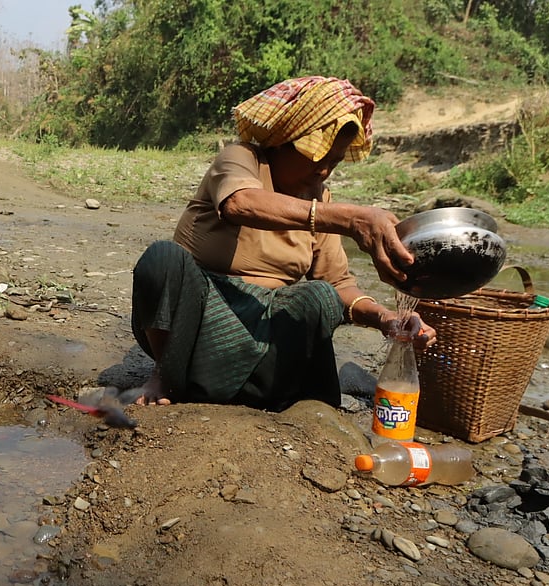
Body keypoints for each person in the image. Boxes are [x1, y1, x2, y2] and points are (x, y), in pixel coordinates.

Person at [131, 76, 436, 411]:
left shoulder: (321, 200)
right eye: (318, 157)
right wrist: (347, 218)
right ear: (283, 142)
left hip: (262, 336)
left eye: (333, 162)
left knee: (319, 296)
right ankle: (166, 377)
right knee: (162, 258)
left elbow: (338, 285)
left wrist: (386, 319)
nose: (324, 172)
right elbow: (239, 203)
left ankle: (296, 402)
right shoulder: (242, 158)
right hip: (196, 323)